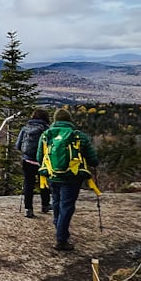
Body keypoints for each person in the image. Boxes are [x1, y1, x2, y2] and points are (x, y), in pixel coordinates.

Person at [37, 108, 98, 251]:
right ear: (69, 120)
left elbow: (40, 157)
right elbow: (93, 159)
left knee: (57, 203)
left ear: (55, 120)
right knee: (67, 206)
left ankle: (59, 229)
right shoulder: (78, 136)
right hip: (72, 177)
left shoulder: (46, 135)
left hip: (53, 176)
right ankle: (61, 238)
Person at [15, 108, 51, 218]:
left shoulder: (25, 128)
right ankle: (45, 205)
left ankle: (28, 209)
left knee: (28, 184)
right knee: (44, 182)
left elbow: (17, 145)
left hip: (27, 160)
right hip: (42, 161)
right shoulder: (47, 129)